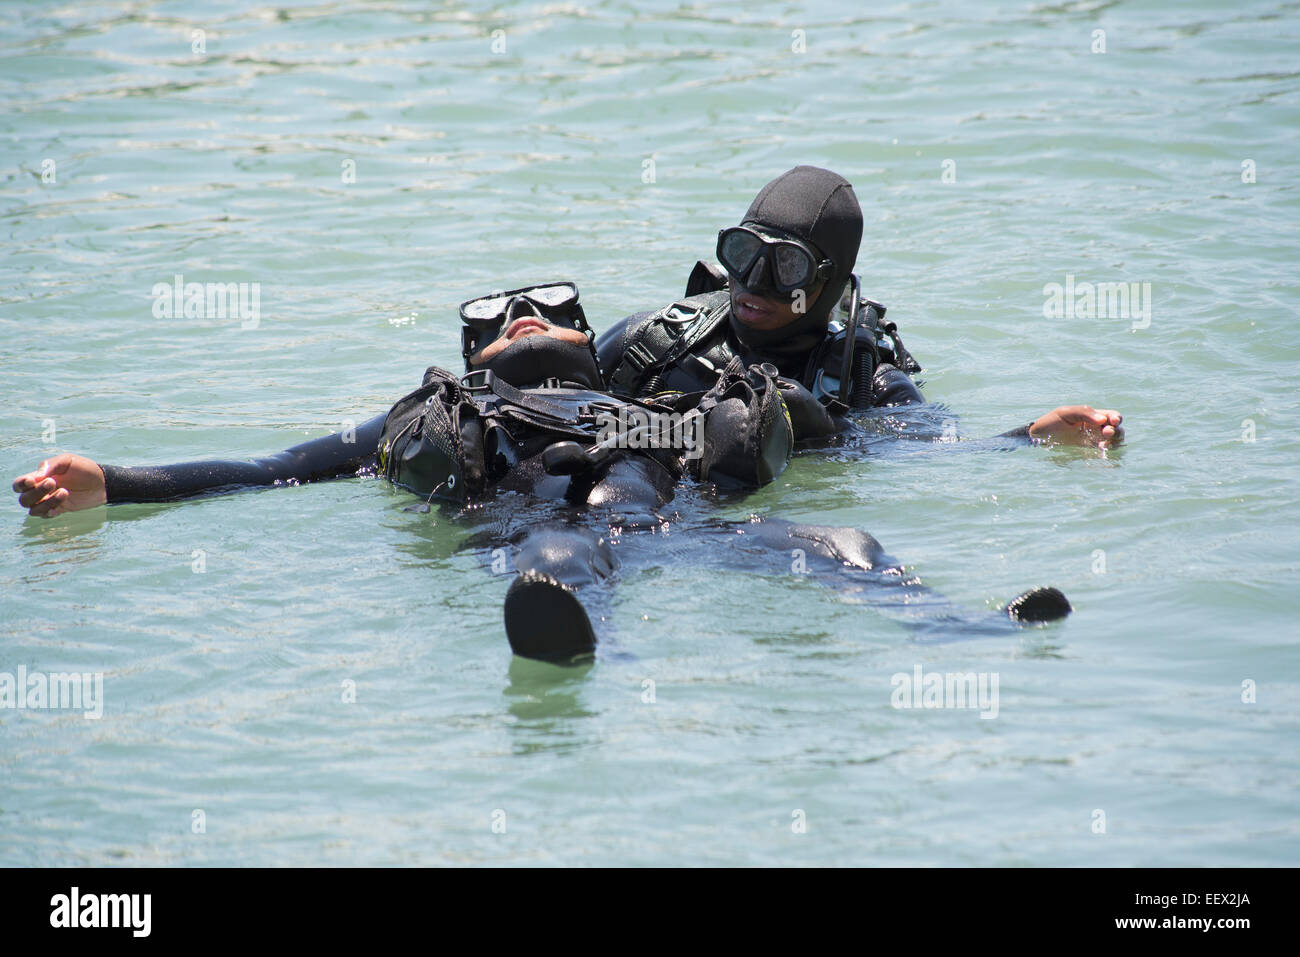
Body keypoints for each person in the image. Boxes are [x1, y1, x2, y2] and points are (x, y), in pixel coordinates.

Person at [13, 282, 1069, 661]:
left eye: (552, 309)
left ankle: (967, 626)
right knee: (560, 556)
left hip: (677, 531)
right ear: (470, 357)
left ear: (588, 338)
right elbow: (271, 468)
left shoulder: (660, 397)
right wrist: (120, 480)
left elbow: (861, 439)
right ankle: (571, 646)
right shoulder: (430, 414)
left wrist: (1025, 438)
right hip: (528, 528)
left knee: (845, 544)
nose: (522, 317)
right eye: (493, 317)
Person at [596, 165, 1125, 447]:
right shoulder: (657, 342)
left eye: (787, 268)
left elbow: (942, 454)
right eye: (743, 253)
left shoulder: (865, 383)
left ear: (829, 286)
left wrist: (1033, 437)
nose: (753, 282)